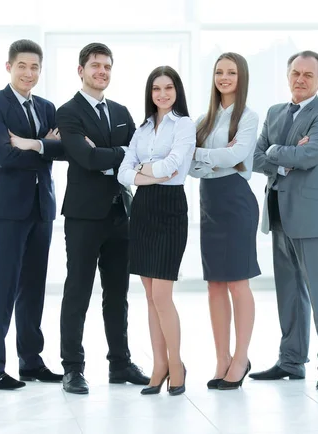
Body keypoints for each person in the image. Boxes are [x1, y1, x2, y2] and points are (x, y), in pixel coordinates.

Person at [250, 50, 318, 390]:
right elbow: (255, 157)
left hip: (313, 217)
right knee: (289, 293)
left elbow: (309, 155)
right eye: (295, 73)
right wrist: (279, 156)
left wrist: (276, 151)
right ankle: (291, 360)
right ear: (287, 75)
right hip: (278, 214)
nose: (300, 79)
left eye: (308, 75)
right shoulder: (275, 112)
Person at [56, 42, 149, 395]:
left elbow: (137, 155)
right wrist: (121, 155)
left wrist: (112, 155)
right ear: (81, 70)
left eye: (107, 66)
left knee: (118, 293)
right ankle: (73, 368)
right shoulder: (68, 113)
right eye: (95, 66)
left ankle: (120, 363)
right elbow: (85, 158)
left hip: (120, 213)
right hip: (83, 216)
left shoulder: (122, 111)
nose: (102, 72)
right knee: (77, 290)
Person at [0, 39, 65, 390]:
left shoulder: (47, 107)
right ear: (9, 67)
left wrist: (31, 144)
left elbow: (64, 151)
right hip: (8, 208)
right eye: (22, 66)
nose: (29, 73)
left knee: (34, 286)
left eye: (35, 68)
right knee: (4, 285)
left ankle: (31, 361)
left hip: (41, 206)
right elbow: (3, 156)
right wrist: (44, 145)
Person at [118, 66, 195, 396]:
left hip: (170, 209)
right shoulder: (143, 128)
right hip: (143, 209)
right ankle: (159, 366)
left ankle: (176, 365)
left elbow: (176, 164)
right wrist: (149, 174)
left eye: (168, 87)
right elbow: (123, 172)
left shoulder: (185, 125)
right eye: (156, 89)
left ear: (177, 90)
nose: (162, 94)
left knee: (162, 295)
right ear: (149, 94)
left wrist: (142, 170)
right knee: (150, 297)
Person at [189, 53, 260, 390]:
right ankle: (222, 358)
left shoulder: (247, 117)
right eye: (219, 72)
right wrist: (216, 159)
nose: (225, 77)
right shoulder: (204, 119)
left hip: (236, 202)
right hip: (209, 203)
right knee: (215, 283)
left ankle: (241, 356)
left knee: (237, 282)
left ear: (241, 77)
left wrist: (204, 156)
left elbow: (237, 156)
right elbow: (190, 167)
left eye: (231, 72)